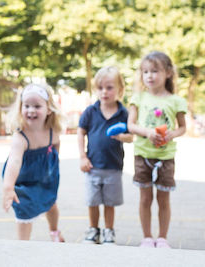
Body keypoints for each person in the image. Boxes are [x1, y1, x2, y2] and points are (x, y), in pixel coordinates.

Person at [128, 51, 187, 248]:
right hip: (143, 155)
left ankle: (162, 238)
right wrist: (147, 132)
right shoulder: (138, 98)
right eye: (145, 72)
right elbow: (130, 125)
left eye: (155, 71)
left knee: (163, 199)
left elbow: (182, 127)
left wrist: (173, 134)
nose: (150, 76)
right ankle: (147, 237)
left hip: (165, 157)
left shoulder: (176, 101)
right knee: (145, 198)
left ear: (168, 73)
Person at [78, 66, 133, 245]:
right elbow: (81, 133)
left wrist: (121, 136)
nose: (104, 92)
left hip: (114, 166)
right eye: (100, 88)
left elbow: (131, 137)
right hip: (92, 166)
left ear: (120, 89)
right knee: (92, 201)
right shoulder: (90, 111)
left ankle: (109, 231)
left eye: (109, 87)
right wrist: (82, 156)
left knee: (110, 202)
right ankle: (94, 230)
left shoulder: (123, 113)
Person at [2, 83, 64, 241]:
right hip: (23, 178)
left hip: (45, 176)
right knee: (23, 209)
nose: (31, 110)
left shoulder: (52, 131)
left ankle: (54, 232)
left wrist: (54, 159)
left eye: (37, 106)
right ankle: (23, 244)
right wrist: (9, 188)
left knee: (50, 202)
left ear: (49, 109)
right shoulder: (21, 136)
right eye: (27, 106)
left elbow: (56, 143)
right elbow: (14, 161)